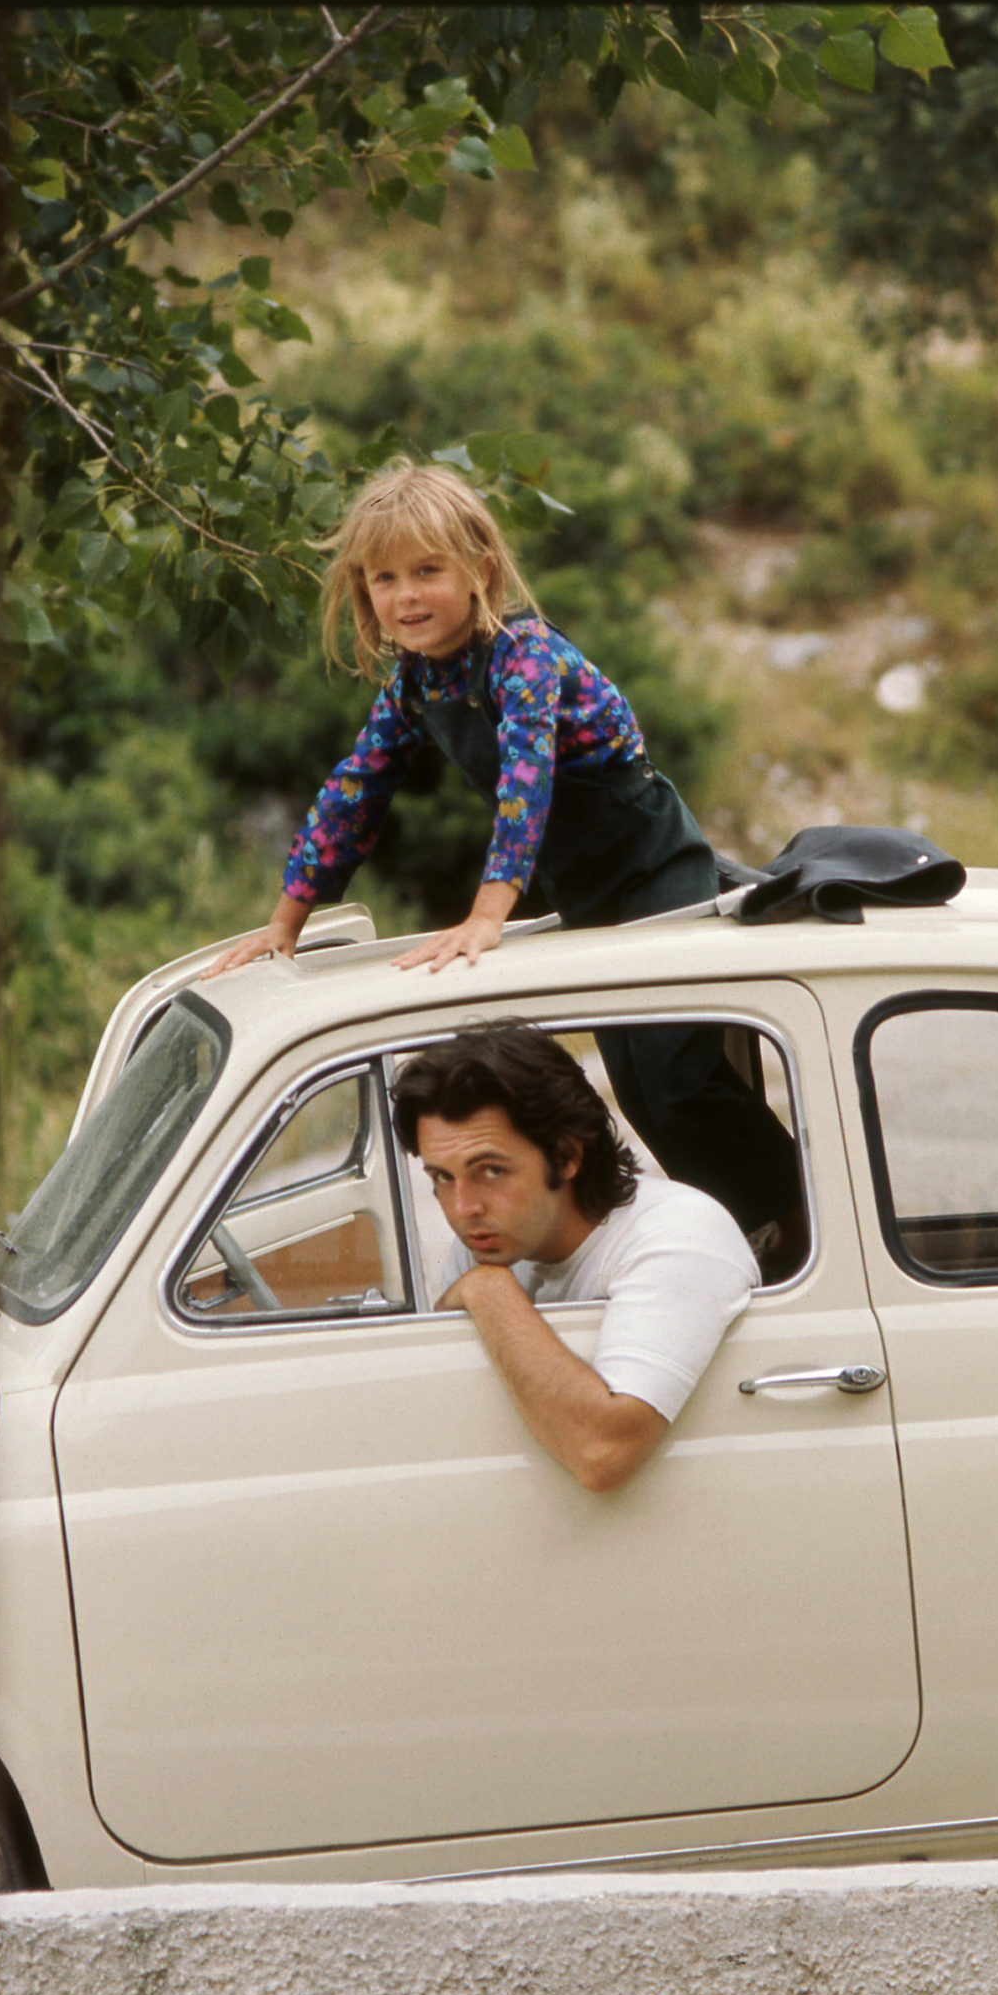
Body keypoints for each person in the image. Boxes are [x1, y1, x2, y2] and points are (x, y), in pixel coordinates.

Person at [204, 456, 802, 1253]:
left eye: (427, 570)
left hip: (656, 865)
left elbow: (528, 779)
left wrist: (490, 914)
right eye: (384, 579)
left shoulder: (521, 654)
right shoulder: (415, 684)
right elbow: (354, 793)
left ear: (480, 570)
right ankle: (745, 1234)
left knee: (676, 1075)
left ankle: (802, 1216)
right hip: (587, 888)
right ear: (364, 593)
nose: (406, 596)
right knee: (634, 1085)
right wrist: (286, 923)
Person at [390, 1024, 759, 1494]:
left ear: (566, 1157)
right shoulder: (489, 1239)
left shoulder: (679, 1232)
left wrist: (489, 1290)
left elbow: (602, 1453)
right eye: (442, 1177)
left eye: (491, 1170)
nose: (463, 1208)